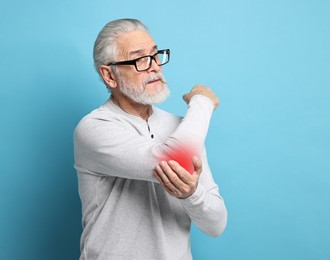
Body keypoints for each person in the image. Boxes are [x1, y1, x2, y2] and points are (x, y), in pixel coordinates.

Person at [74, 18, 227, 260]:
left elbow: (216, 224)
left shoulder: (183, 130)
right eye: (139, 60)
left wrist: (191, 193)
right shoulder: (94, 128)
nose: (154, 66)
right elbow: (173, 160)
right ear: (109, 75)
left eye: (155, 56)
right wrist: (202, 102)